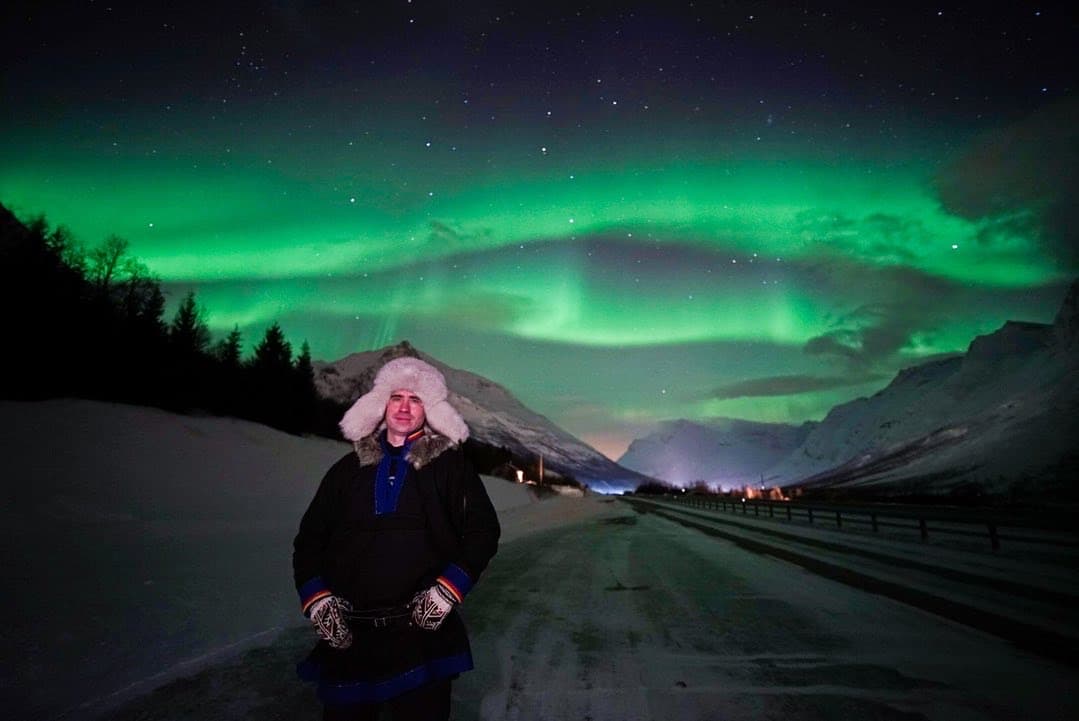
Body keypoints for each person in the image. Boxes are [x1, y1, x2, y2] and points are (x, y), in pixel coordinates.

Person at [293, 356, 501, 720]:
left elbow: (482, 531)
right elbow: (310, 540)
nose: (405, 407)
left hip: (421, 635)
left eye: (416, 399)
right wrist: (317, 598)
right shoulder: (345, 471)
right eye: (397, 397)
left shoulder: (451, 468)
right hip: (350, 638)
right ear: (380, 403)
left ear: (430, 409)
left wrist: (447, 590)